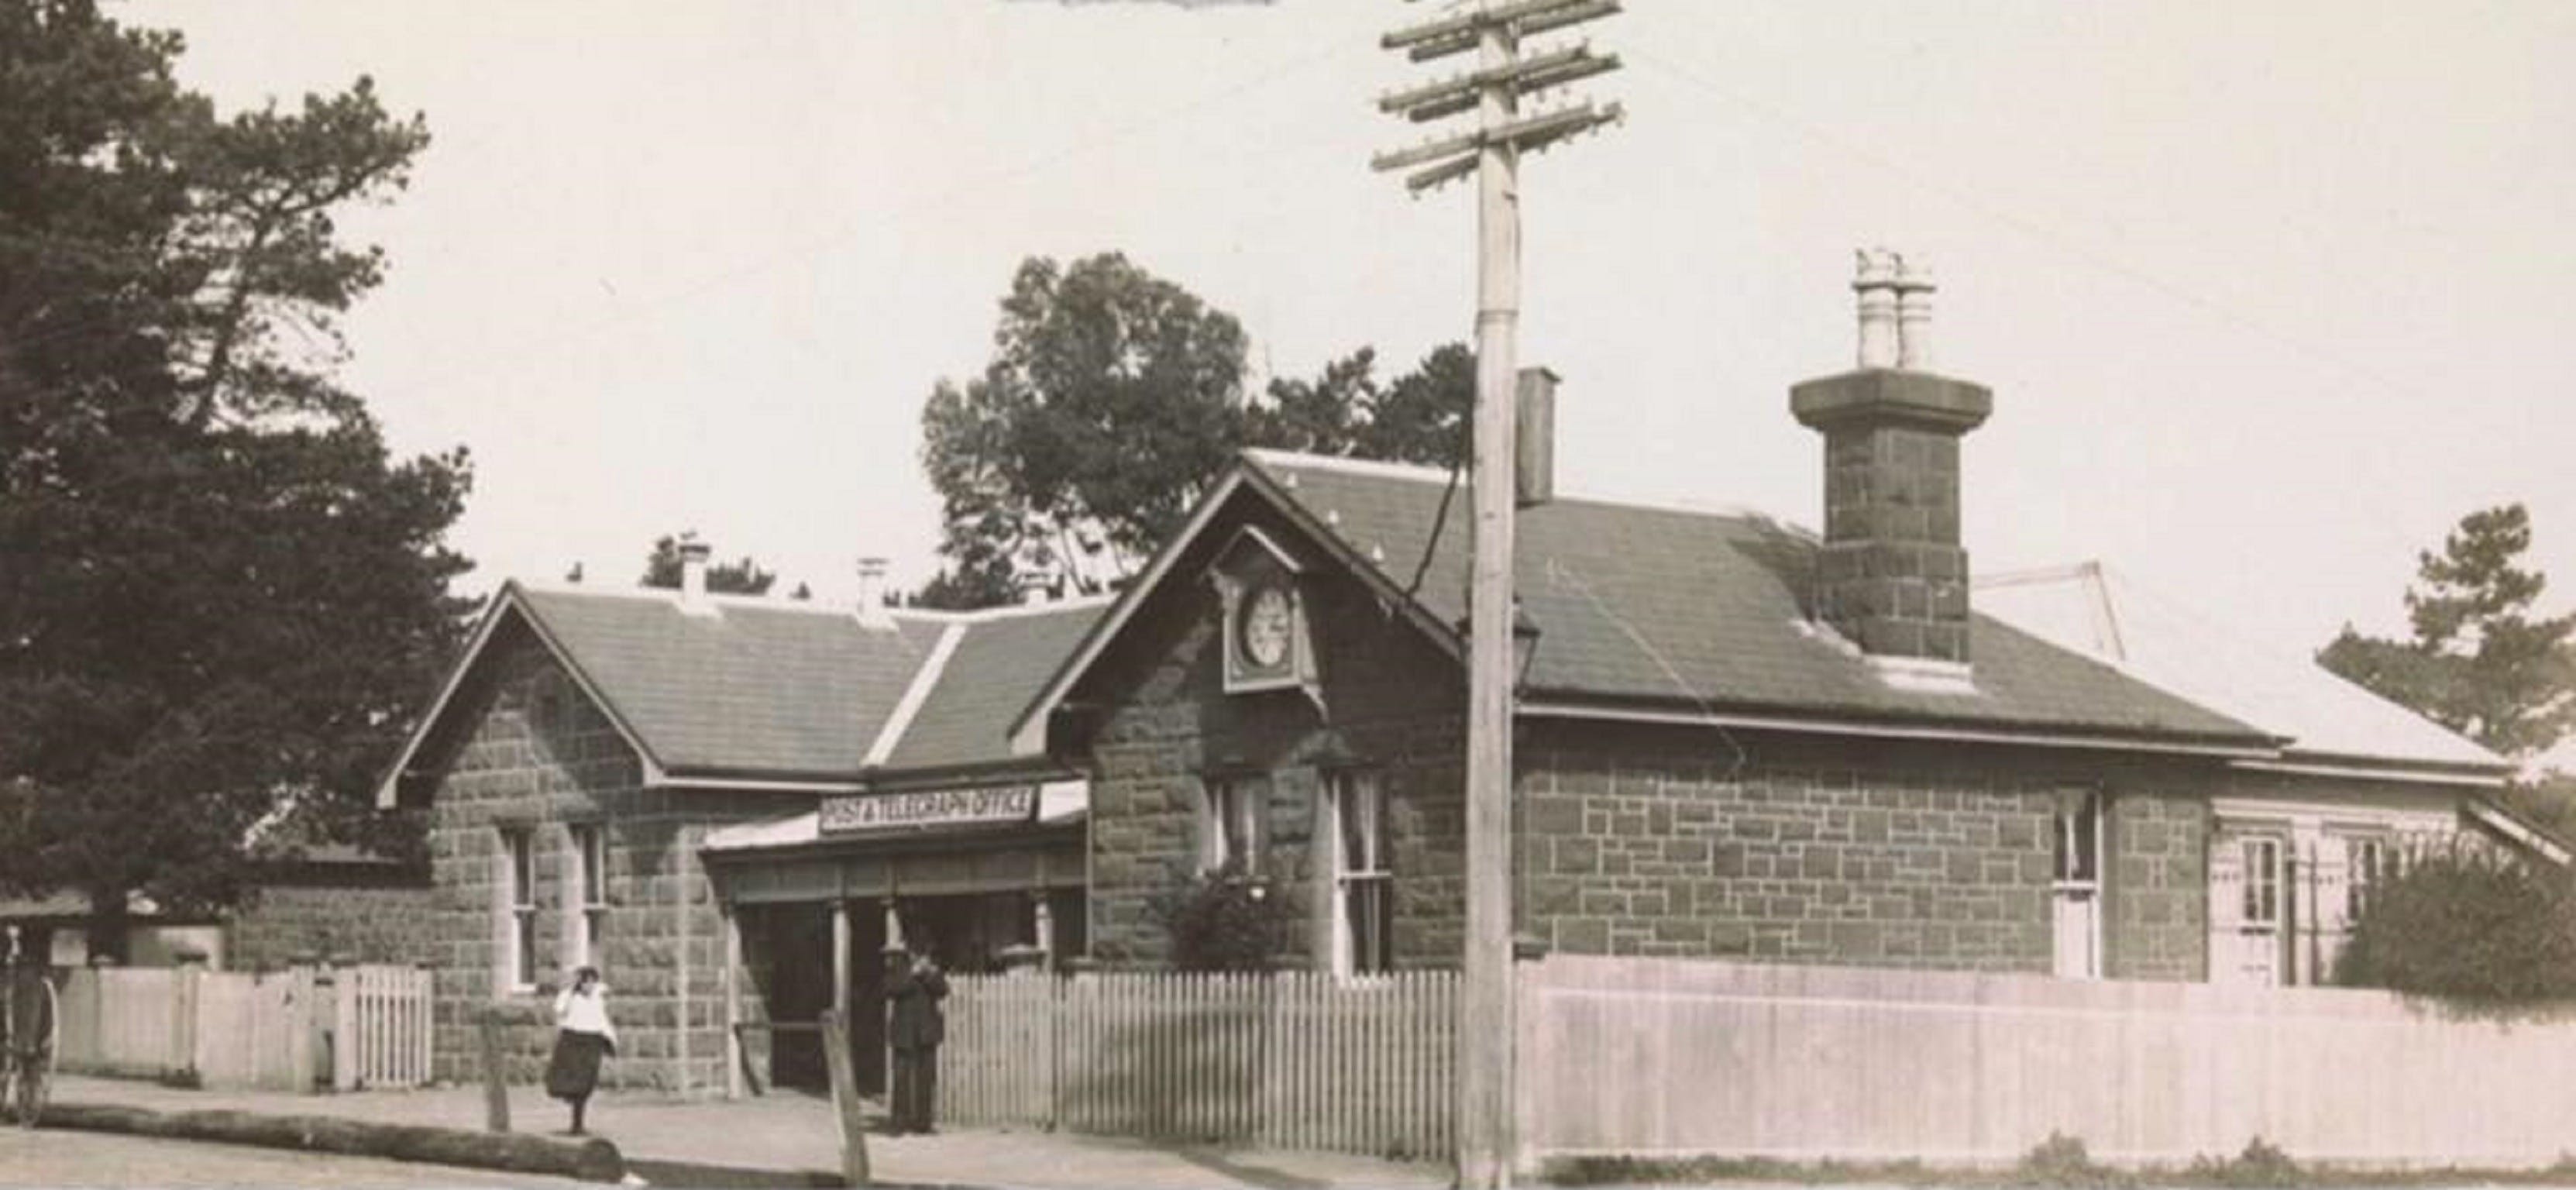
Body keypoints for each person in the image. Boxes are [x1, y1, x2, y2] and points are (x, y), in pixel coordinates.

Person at [545, 965, 617, 1136]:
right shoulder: (571, 998)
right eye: (586, 983)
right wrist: (571, 989)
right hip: (573, 1041)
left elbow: (601, 1020)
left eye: (593, 983)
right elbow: (560, 1009)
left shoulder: (597, 999)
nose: (589, 987)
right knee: (572, 1082)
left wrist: (611, 1041)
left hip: (592, 1042)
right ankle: (575, 1120)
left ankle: (578, 1122)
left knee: (586, 1084)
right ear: (580, 983)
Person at [886, 949, 948, 1135]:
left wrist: (928, 974)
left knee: (926, 1079)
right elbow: (890, 990)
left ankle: (923, 1124)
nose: (919, 957)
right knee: (901, 1079)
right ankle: (898, 1123)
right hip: (903, 1033)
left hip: (926, 1033)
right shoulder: (898, 968)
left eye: (922, 954)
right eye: (915, 953)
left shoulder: (933, 971)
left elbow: (943, 990)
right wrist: (912, 975)